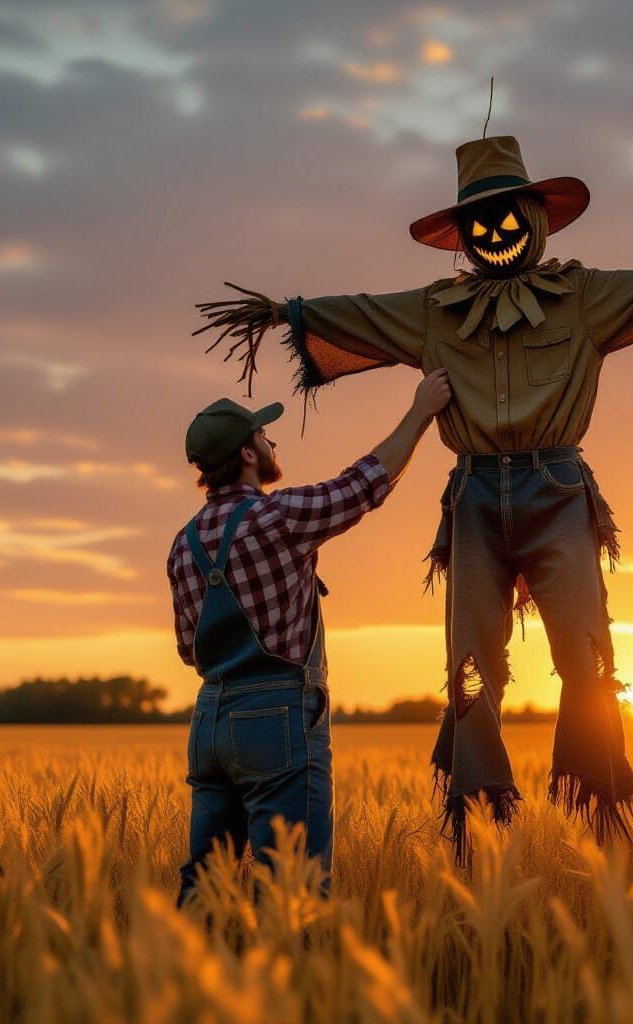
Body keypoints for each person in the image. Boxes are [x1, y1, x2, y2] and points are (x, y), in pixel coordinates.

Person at [193, 134, 633, 861]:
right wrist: (282, 316)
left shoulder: (585, 296)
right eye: (479, 219)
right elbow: (354, 312)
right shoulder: (431, 312)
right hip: (472, 497)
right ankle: (476, 825)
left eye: (507, 214)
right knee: (470, 668)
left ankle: (599, 810)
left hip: (557, 489)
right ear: (463, 234)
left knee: (588, 656)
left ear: (536, 217)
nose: (494, 230)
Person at [168, 369, 451, 905]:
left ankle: (185, 983)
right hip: (276, 718)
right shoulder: (278, 515)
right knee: (293, 893)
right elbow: (364, 484)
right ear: (248, 455)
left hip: (208, 719)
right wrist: (420, 413)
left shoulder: (183, 545)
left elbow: (190, 649)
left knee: (204, 888)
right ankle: (290, 988)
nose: (271, 441)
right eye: (262, 435)